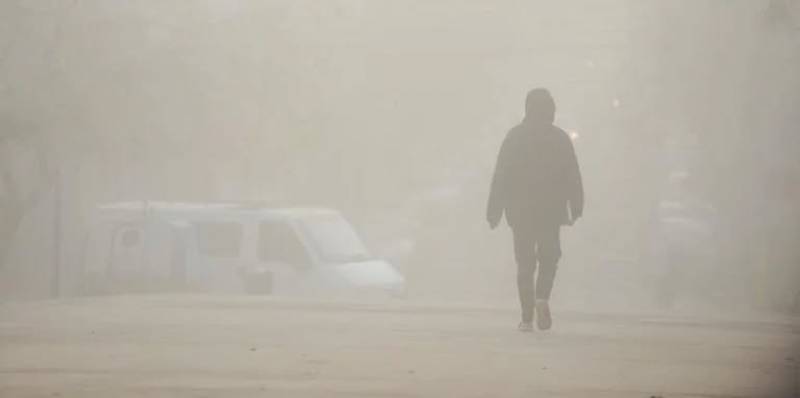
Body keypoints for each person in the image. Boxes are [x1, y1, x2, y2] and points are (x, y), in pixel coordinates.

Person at [487, 88, 583, 331]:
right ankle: (542, 298)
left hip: (520, 212)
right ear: (551, 110)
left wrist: (494, 210)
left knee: (525, 263)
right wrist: (576, 204)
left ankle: (527, 318)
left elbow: (501, 175)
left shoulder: (514, 137)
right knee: (550, 257)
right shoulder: (560, 139)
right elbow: (572, 174)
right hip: (550, 210)